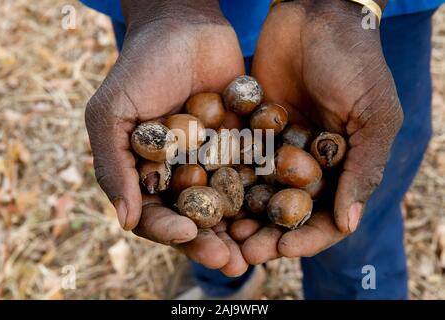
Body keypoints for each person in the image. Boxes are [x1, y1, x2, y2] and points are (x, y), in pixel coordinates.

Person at [81, 0, 444, 299]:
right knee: (198, 238)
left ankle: (355, 287)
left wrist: (337, 8)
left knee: (356, 214)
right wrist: (167, 9)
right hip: (166, 19)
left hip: (367, 24)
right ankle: (221, 288)